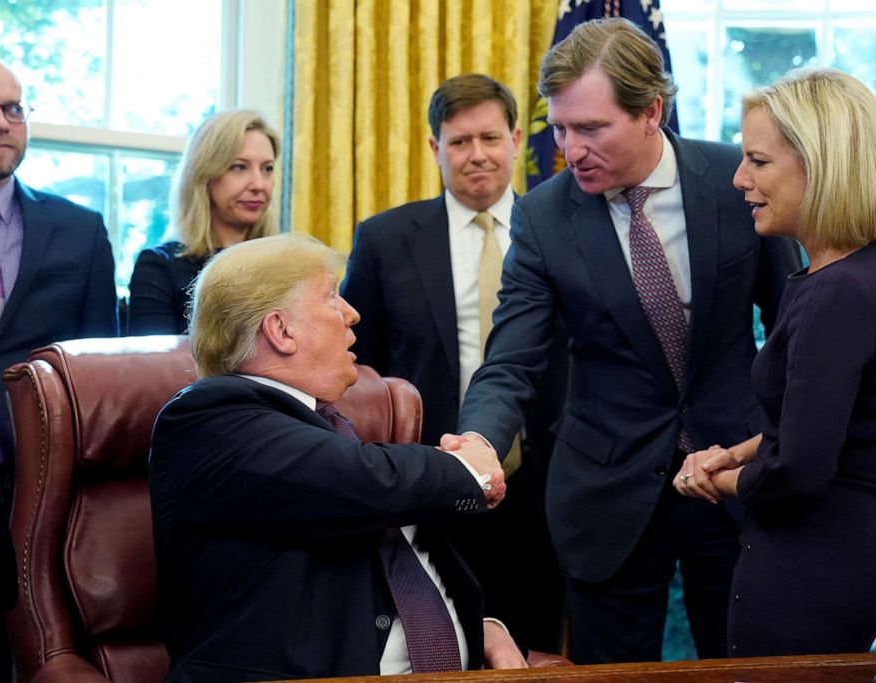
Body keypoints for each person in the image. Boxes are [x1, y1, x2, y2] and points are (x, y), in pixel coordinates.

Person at [445, 18, 802, 664]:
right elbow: (513, 358)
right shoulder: (545, 215)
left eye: (590, 128)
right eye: (558, 129)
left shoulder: (736, 183)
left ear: (651, 112)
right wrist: (479, 439)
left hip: (732, 480)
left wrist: (780, 444)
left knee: (751, 668)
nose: (570, 148)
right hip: (606, 500)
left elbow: (792, 330)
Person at [149, 233, 526, 682]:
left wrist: (480, 628)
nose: (352, 313)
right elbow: (364, 481)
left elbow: (381, 566)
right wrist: (467, 470)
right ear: (281, 330)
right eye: (332, 296)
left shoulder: (328, 427)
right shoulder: (208, 418)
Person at [673, 67, 876, 656]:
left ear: (821, 164)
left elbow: (798, 472)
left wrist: (712, 480)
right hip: (849, 552)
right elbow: (812, 426)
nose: (739, 179)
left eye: (758, 162)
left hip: (811, 571)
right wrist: (734, 453)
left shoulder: (835, 293)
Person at [340, 73, 567, 653]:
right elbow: (354, 371)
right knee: (443, 642)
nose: (477, 155)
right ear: (435, 148)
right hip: (431, 481)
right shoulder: (385, 240)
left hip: (549, 482)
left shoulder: (568, 231)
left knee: (540, 644)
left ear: (517, 138)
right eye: (460, 141)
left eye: (490, 138)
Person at [0, 59, 118, 682]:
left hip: (39, 488)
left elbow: (97, 375)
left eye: (14, 109)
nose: (4, 122)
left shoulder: (78, 229)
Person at [127, 109, 279, 334]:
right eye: (239, 167)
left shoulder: (287, 266)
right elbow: (153, 367)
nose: (259, 184)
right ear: (204, 175)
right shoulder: (159, 267)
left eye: (267, 169)